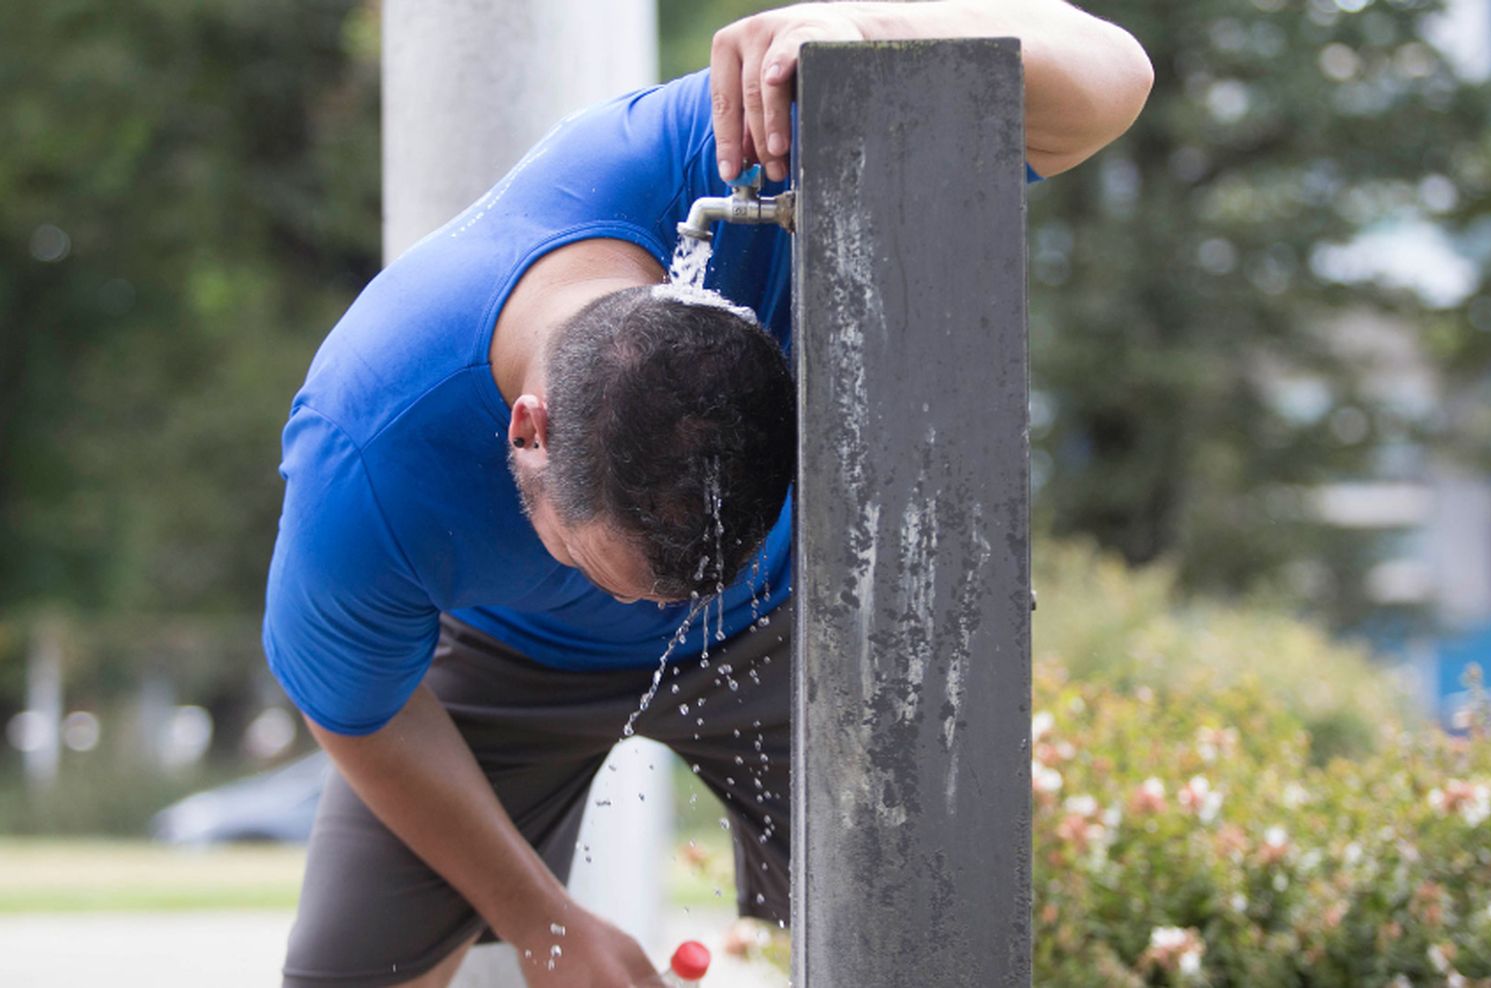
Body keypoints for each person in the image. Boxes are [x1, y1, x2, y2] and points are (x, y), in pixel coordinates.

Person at [263, 2, 1153, 986]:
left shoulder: (747, 151)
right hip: (510, 654)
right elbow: (354, 711)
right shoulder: (368, 453)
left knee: (938, 926)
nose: (662, 615)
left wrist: (868, 25)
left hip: (775, 624)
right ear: (529, 432)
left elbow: (1116, 80)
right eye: (619, 575)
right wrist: (543, 922)